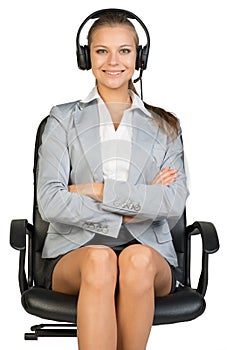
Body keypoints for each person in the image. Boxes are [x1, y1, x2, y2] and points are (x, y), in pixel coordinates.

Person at [37, 8, 189, 350]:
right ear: (86, 56)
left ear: (139, 57)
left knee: (134, 260)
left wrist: (95, 191)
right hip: (76, 250)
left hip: (149, 253)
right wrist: (140, 201)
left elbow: (174, 202)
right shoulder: (63, 120)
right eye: (101, 50)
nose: (113, 61)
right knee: (101, 258)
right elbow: (50, 201)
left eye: (124, 50)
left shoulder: (165, 127)